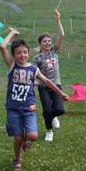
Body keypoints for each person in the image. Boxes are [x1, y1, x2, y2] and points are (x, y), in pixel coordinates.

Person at [0, 28, 69, 171]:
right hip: (13, 108)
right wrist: (12, 33)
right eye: (18, 53)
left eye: (24, 52)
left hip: (29, 108)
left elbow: (48, 82)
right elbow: (2, 46)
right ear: (13, 55)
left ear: (28, 53)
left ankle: (26, 140)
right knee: (17, 138)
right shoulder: (12, 66)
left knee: (33, 135)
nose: (22, 55)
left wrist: (61, 93)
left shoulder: (33, 69)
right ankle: (17, 159)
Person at [32, 9, 65, 142]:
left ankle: (52, 116)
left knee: (59, 109)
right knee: (47, 109)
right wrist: (33, 81)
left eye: (49, 41)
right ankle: (49, 131)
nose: (48, 43)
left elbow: (62, 35)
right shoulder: (37, 57)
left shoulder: (54, 51)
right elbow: (33, 71)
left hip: (56, 85)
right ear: (40, 44)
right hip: (44, 87)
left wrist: (58, 20)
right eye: (45, 41)